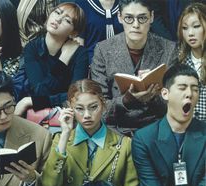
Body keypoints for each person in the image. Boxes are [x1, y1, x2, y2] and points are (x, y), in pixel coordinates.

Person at [41, 78, 140, 186]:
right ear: (70, 109)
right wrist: (64, 134)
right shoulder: (61, 141)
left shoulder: (124, 145)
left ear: (103, 105)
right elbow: (50, 184)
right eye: (79, 109)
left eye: (93, 107)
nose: (86, 115)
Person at [131, 63, 206, 186]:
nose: (189, 94)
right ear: (165, 94)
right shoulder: (144, 138)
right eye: (182, 88)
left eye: (195, 89)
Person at [91, 0, 177, 136]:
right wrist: (126, 100)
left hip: (157, 129)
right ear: (119, 17)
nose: (136, 25)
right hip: (116, 130)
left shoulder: (169, 49)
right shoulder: (103, 50)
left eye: (142, 18)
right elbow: (97, 107)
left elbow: (175, 104)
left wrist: (153, 95)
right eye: (129, 18)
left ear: (152, 17)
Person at [21, 2, 89, 114]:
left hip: (68, 113)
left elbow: (77, 96)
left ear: (74, 33)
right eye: (57, 12)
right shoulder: (32, 48)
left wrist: (31, 101)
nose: (58, 19)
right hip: (38, 114)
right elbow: (40, 92)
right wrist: (63, 60)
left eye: (67, 20)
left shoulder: (80, 54)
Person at [177, 2, 206, 121]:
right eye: (185, 28)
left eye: (196, 26)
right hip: (187, 129)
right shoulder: (179, 59)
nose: (190, 33)